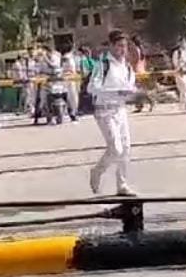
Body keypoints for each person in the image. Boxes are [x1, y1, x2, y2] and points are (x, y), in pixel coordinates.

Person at [88, 30, 137, 196]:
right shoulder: (103, 65)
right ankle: (97, 171)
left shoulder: (127, 67)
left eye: (124, 46)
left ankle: (122, 184)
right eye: (119, 46)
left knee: (126, 148)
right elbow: (92, 88)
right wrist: (115, 93)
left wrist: (135, 94)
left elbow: (130, 88)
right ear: (111, 46)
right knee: (115, 148)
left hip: (120, 110)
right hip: (104, 110)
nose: (122, 49)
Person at [130, 34, 155, 113]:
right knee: (141, 89)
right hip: (142, 70)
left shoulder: (135, 50)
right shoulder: (142, 50)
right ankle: (144, 104)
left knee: (137, 90)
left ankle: (147, 103)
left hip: (137, 71)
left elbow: (134, 61)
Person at [171, 37, 186, 111]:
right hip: (180, 73)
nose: (184, 44)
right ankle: (183, 104)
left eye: (185, 42)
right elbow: (175, 63)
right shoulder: (177, 52)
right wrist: (179, 68)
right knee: (184, 87)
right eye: (182, 42)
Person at [61, 43, 80, 122]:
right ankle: (72, 112)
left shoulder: (71, 57)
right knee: (72, 97)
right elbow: (65, 68)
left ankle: (74, 112)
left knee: (73, 96)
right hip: (69, 78)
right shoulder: (67, 57)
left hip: (72, 78)